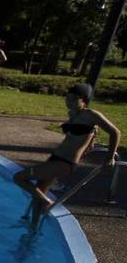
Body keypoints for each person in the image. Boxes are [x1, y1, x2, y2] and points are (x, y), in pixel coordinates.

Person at [13, 83, 121, 224]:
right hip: (56, 158)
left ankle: (47, 202)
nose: (69, 101)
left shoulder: (91, 115)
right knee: (39, 190)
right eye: (67, 97)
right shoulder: (73, 114)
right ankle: (33, 227)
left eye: (74, 98)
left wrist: (110, 157)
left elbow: (115, 132)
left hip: (65, 162)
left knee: (19, 178)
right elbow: (83, 135)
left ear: (84, 100)